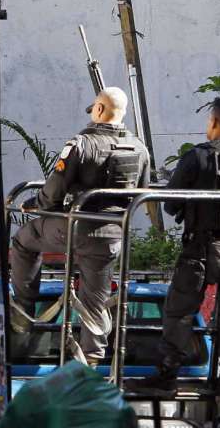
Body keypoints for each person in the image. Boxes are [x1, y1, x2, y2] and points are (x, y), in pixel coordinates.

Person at [127, 97, 220, 397]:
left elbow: (170, 205)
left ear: (214, 122)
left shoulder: (198, 157)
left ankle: (167, 375)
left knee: (179, 310)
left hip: (203, 250)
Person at [10, 87, 150, 366]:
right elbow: (141, 193)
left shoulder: (81, 143)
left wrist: (37, 205)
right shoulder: (139, 148)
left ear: (98, 110)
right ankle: (94, 360)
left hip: (73, 228)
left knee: (23, 241)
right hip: (111, 236)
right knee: (94, 300)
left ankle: (23, 314)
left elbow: (54, 189)